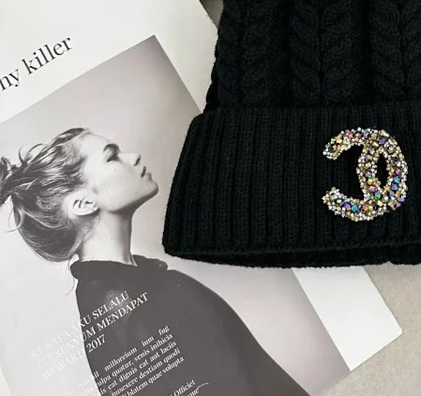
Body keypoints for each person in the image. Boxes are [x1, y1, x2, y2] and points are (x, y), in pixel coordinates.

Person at [0, 127, 308, 395]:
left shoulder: (133, 285)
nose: (133, 157)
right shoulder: (118, 304)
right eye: (112, 156)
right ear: (83, 203)